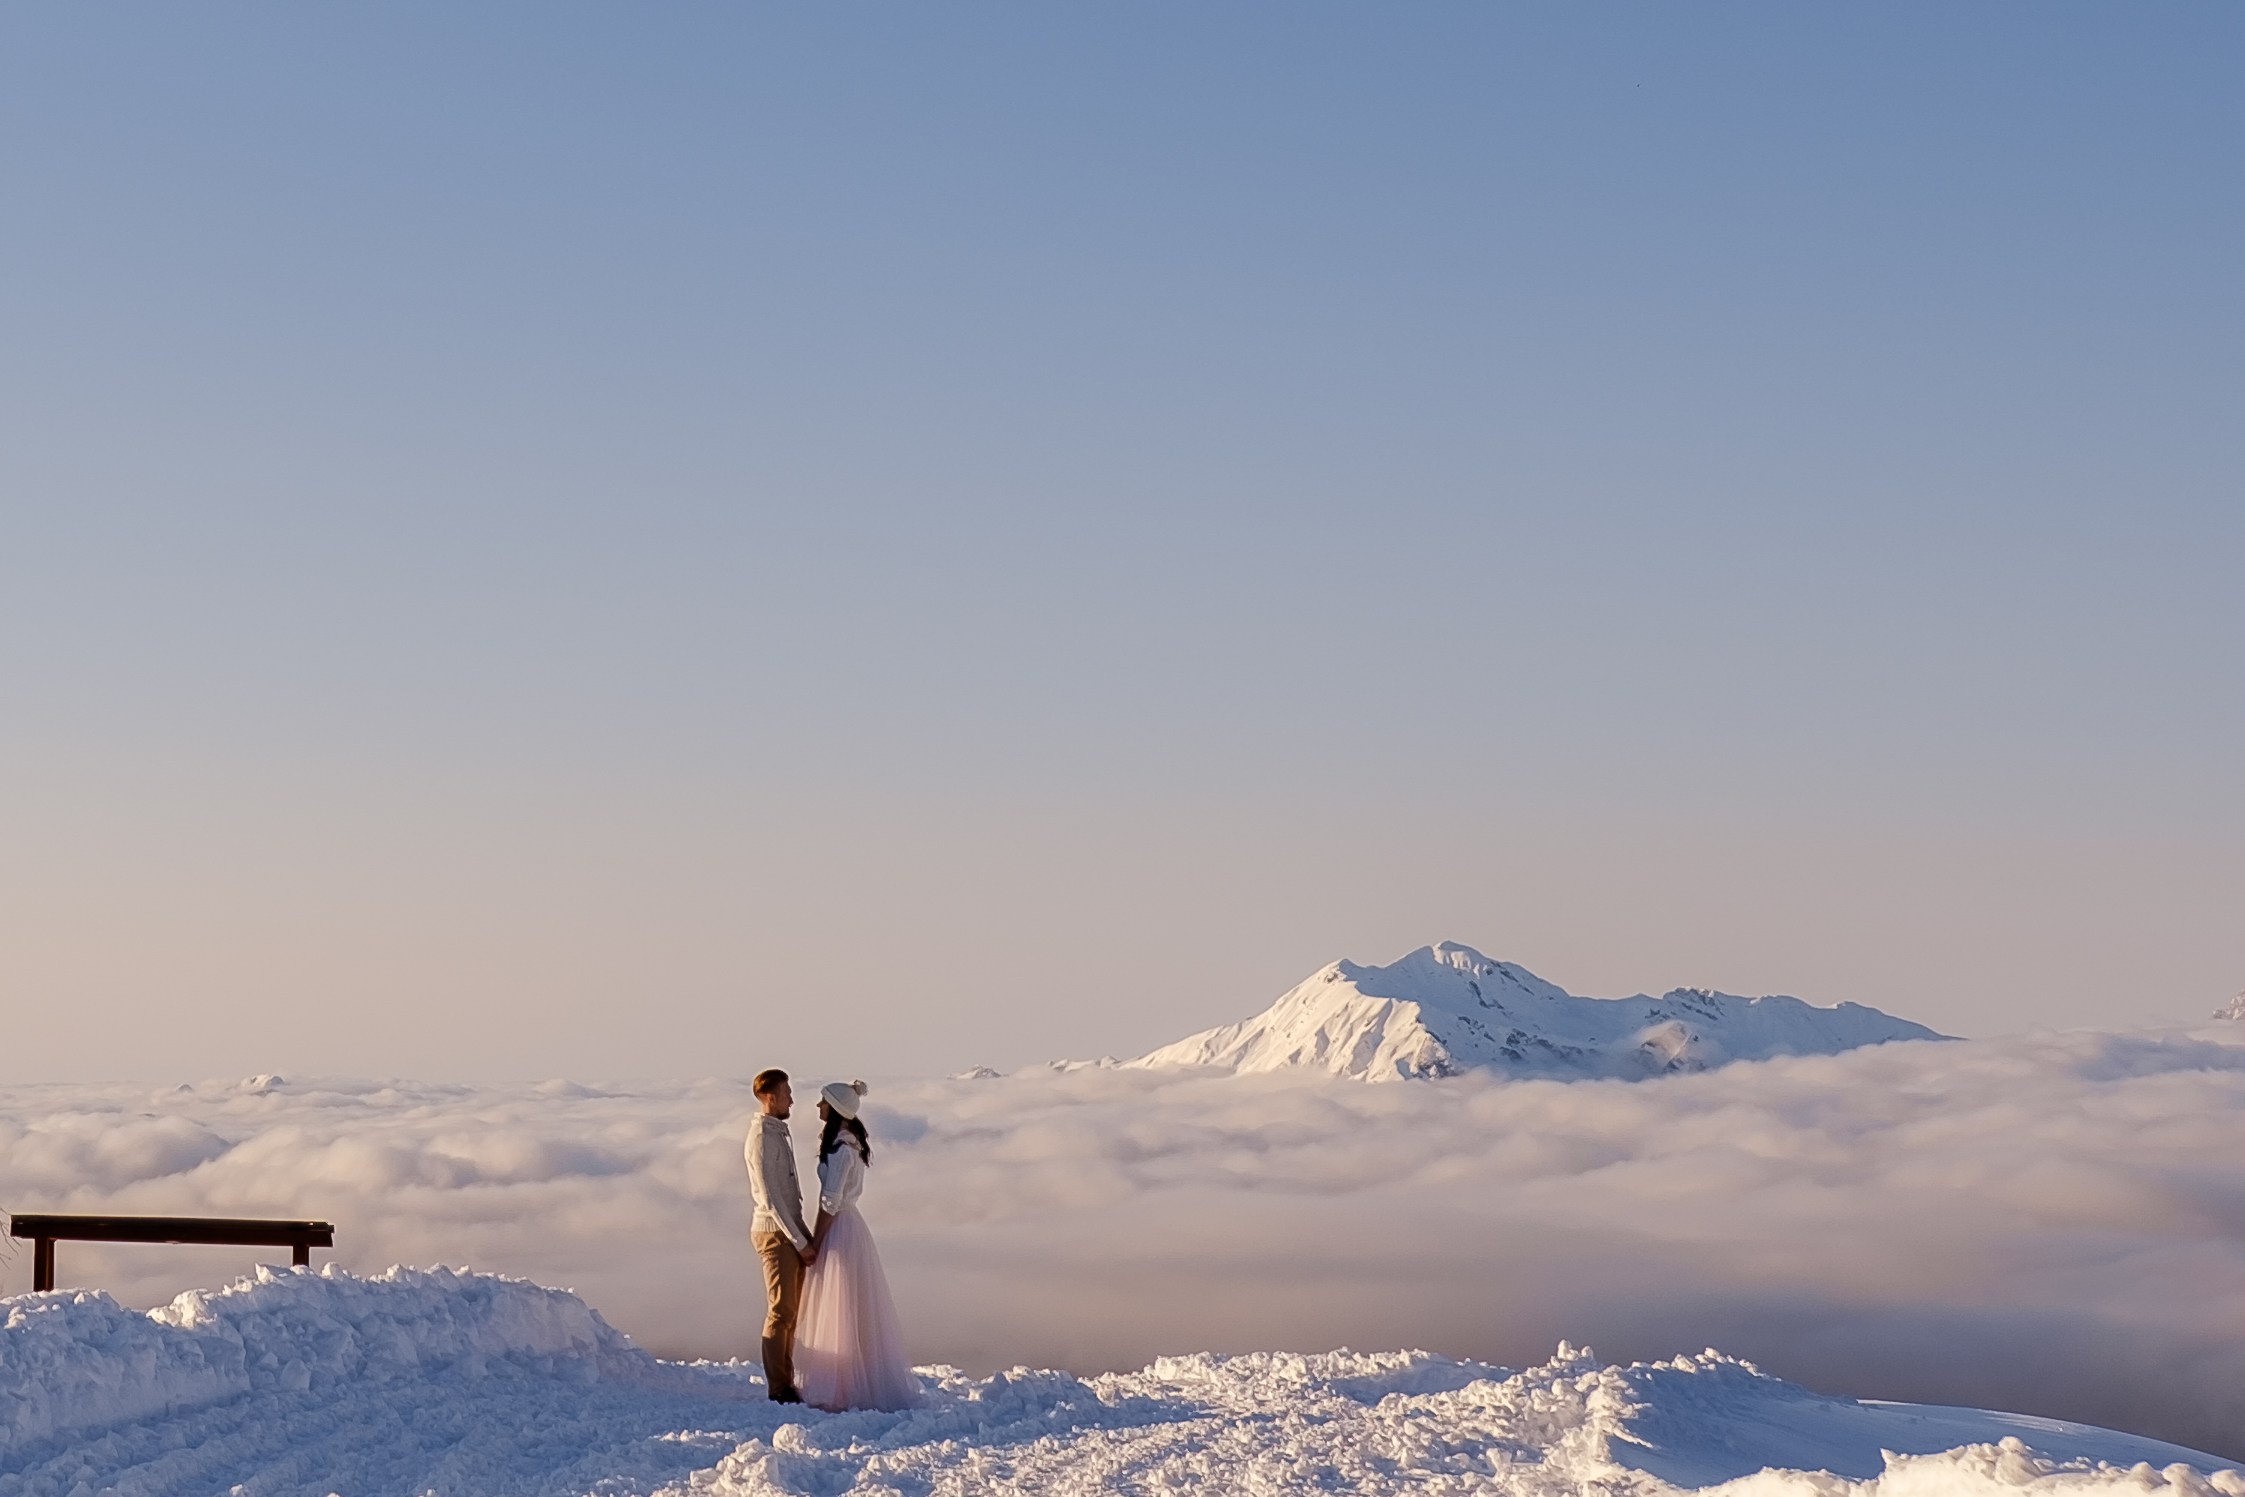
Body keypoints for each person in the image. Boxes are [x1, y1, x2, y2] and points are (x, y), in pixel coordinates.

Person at [793, 1080, 919, 1411]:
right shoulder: (849, 1145)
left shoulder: (840, 1150)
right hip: (851, 1227)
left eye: (823, 1103)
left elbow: (830, 1201)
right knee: (851, 1303)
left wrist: (815, 1242)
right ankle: (850, 1379)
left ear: (835, 1109)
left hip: (840, 1229)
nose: (818, 1107)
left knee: (839, 1302)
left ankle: (839, 1385)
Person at [743, 1067, 814, 1402]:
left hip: (787, 1231)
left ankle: (786, 1380)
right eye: (787, 1093)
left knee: (790, 1311)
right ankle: (779, 1388)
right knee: (781, 1311)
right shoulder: (761, 1138)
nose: (792, 1100)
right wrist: (799, 1241)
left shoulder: (775, 1133)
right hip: (775, 1234)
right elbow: (771, 1199)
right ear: (771, 1096)